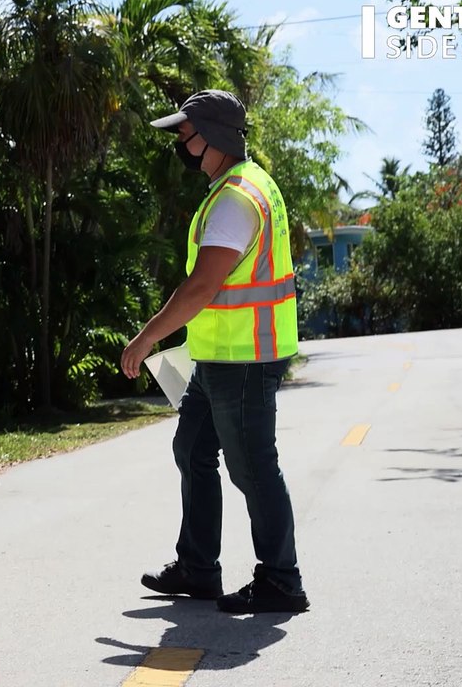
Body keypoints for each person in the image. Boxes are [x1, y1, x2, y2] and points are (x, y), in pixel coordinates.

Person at [120, 90, 310, 614]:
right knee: (192, 450)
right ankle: (199, 568)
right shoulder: (237, 187)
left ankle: (282, 580)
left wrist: (148, 336)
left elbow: (202, 287)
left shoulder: (235, 199)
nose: (180, 144)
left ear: (214, 137)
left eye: (186, 134)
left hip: (243, 359)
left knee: (252, 467)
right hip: (219, 357)